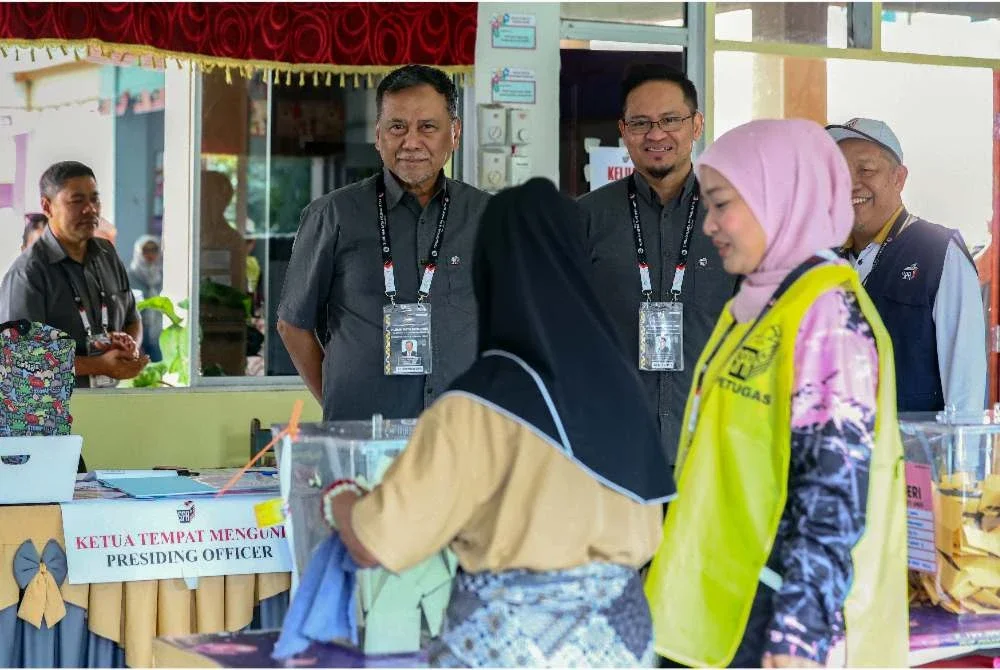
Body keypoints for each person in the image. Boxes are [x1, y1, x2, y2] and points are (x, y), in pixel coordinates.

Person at [324, 178, 673, 667]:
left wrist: (340, 501)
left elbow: (377, 542)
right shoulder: (626, 391)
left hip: (510, 647)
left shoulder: (477, 407)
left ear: (489, 274)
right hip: (621, 645)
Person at [644, 120, 907, 668]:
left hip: (774, 618)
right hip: (715, 612)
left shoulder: (827, 314)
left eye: (722, 205)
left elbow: (832, 487)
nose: (710, 225)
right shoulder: (756, 302)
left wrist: (797, 634)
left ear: (780, 197)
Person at [277, 65, 491, 422]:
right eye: (397, 127)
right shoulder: (333, 215)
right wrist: (341, 402)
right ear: (378, 136)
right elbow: (293, 325)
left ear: (454, 133)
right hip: (363, 439)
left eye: (427, 127)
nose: (411, 142)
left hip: (460, 438)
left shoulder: (488, 217)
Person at [578, 64, 737, 472]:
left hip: (714, 449)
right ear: (623, 130)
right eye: (641, 123)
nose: (656, 134)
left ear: (696, 124)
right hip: (614, 449)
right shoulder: (586, 218)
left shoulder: (738, 216)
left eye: (670, 120)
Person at [826, 117, 986, 415]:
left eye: (866, 170)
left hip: (917, 454)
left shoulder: (939, 252)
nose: (851, 184)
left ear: (899, 178)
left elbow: (966, 384)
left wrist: (960, 460)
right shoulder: (825, 261)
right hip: (840, 454)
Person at [0, 161, 147, 388]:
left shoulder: (107, 254)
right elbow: (21, 358)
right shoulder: (28, 274)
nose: (90, 209)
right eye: (77, 201)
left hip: (110, 404)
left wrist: (130, 347)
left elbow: (132, 318)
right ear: (47, 207)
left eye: (94, 199)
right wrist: (100, 365)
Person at [127, 234, 163, 361]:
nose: (150, 254)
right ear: (138, 252)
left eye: (154, 250)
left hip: (159, 330)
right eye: (146, 250)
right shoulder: (129, 276)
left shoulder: (163, 276)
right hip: (137, 328)